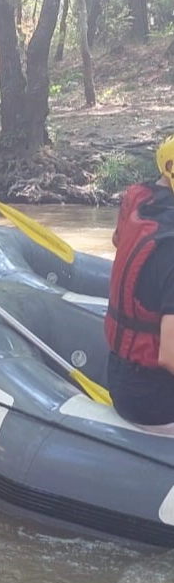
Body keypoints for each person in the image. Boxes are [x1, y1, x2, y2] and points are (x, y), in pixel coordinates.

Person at [106, 136, 174, 426]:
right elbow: (170, 356)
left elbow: (117, 240)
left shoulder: (140, 201)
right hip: (153, 398)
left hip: (120, 372)